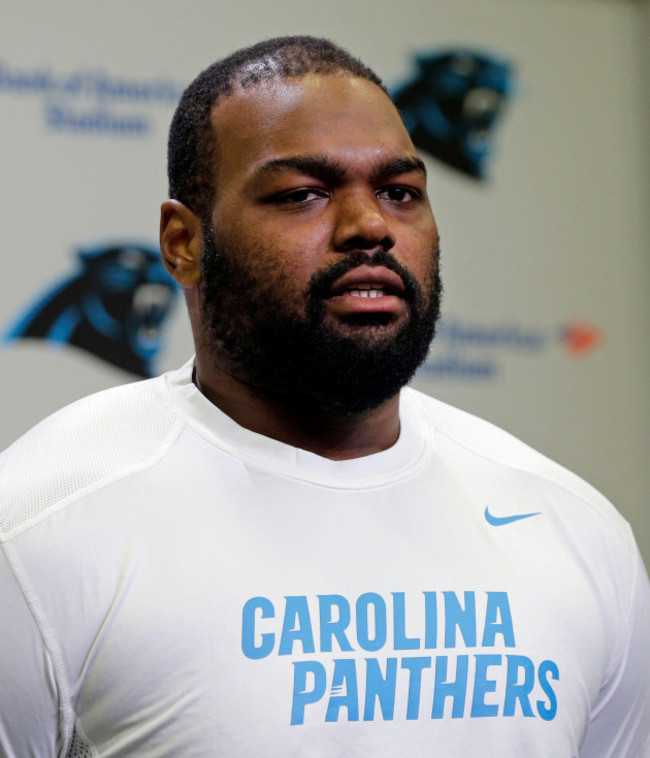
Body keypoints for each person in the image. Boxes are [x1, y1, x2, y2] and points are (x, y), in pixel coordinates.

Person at [0, 36, 648, 758]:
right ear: (183, 242)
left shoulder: (576, 528)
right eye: (303, 194)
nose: (370, 227)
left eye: (400, 193)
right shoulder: (37, 532)